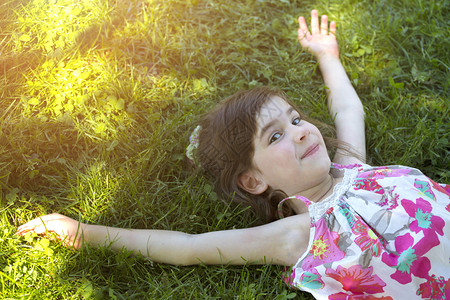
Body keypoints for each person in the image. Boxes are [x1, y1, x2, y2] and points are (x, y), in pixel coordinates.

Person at [16, 10, 450, 299]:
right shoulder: (301, 235)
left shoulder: (354, 166)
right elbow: (187, 247)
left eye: (296, 120)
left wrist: (327, 55)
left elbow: (347, 107)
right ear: (253, 181)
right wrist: (80, 231)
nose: (300, 133)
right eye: (275, 137)